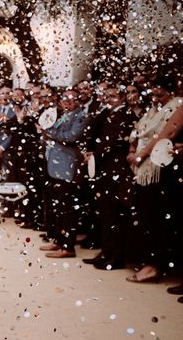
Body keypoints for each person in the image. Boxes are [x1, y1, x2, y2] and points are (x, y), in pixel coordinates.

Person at [126, 75, 183, 283]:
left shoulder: (177, 105)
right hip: (143, 170)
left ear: (172, 91)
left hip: (159, 169)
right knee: (144, 215)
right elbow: (139, 132)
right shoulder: (152, 109)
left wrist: (141, 156)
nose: (156, 98)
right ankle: (149, 262)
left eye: (160, 94)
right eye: (153, 94)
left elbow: (163, 136)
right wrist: (133, 149)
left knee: (156, 218)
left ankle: (155, 265)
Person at [82, 84, 138, 270]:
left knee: (114, 214)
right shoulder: (108, 113)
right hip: (104, 168)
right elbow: (95, 131)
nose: (107, 98)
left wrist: (95, 156)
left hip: (117, 170)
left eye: (112, 95)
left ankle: (116, 256)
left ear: (122, 97)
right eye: (106, 95)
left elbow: (115, 142)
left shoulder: (127, 115)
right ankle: (106, 251)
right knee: (105, 213)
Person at [39, 89, 87, 258]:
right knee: (57, 206)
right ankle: (59, 240)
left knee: (67, 208)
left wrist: (49, 133)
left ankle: (68, 246)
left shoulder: (80, 116)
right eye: (64, 99)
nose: (67, 101)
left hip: (67, 166)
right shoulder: (62, 115)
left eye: (71, 99)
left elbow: (72, 136)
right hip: (54, 165)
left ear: (78, 100)